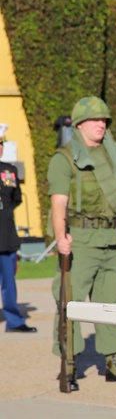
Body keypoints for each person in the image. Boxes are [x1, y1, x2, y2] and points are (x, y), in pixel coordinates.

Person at [48, 96, 116, 385]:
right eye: (96, 120)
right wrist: (61, 236)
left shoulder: (114, 154)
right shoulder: (64, 158)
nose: (102, 124)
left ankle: (114, 364)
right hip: (82, 242)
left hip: (112, 240)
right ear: (79, 124)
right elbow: (58, 203)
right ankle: (69, 364)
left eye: (105, 120)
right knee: (71, 304)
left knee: (111, 304)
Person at [0, 124, 30, 333]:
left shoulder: (9, 171)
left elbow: (16, 199)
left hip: (6, 236)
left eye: (0, 144)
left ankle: (15, 321)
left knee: (9, 283)